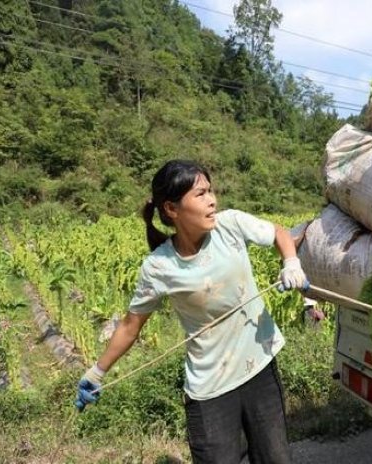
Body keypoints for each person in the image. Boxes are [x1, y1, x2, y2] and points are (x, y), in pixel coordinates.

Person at [74, 159, 309, 464]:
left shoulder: (230, 225)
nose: (212, 200)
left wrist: (291, 262)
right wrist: (97, 372)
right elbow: (131, 326)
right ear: (172, 209)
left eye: (210, 191)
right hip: (211, 389)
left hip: (260, 369)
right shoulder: (159, 266)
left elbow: (278, 232)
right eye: (200, 194)